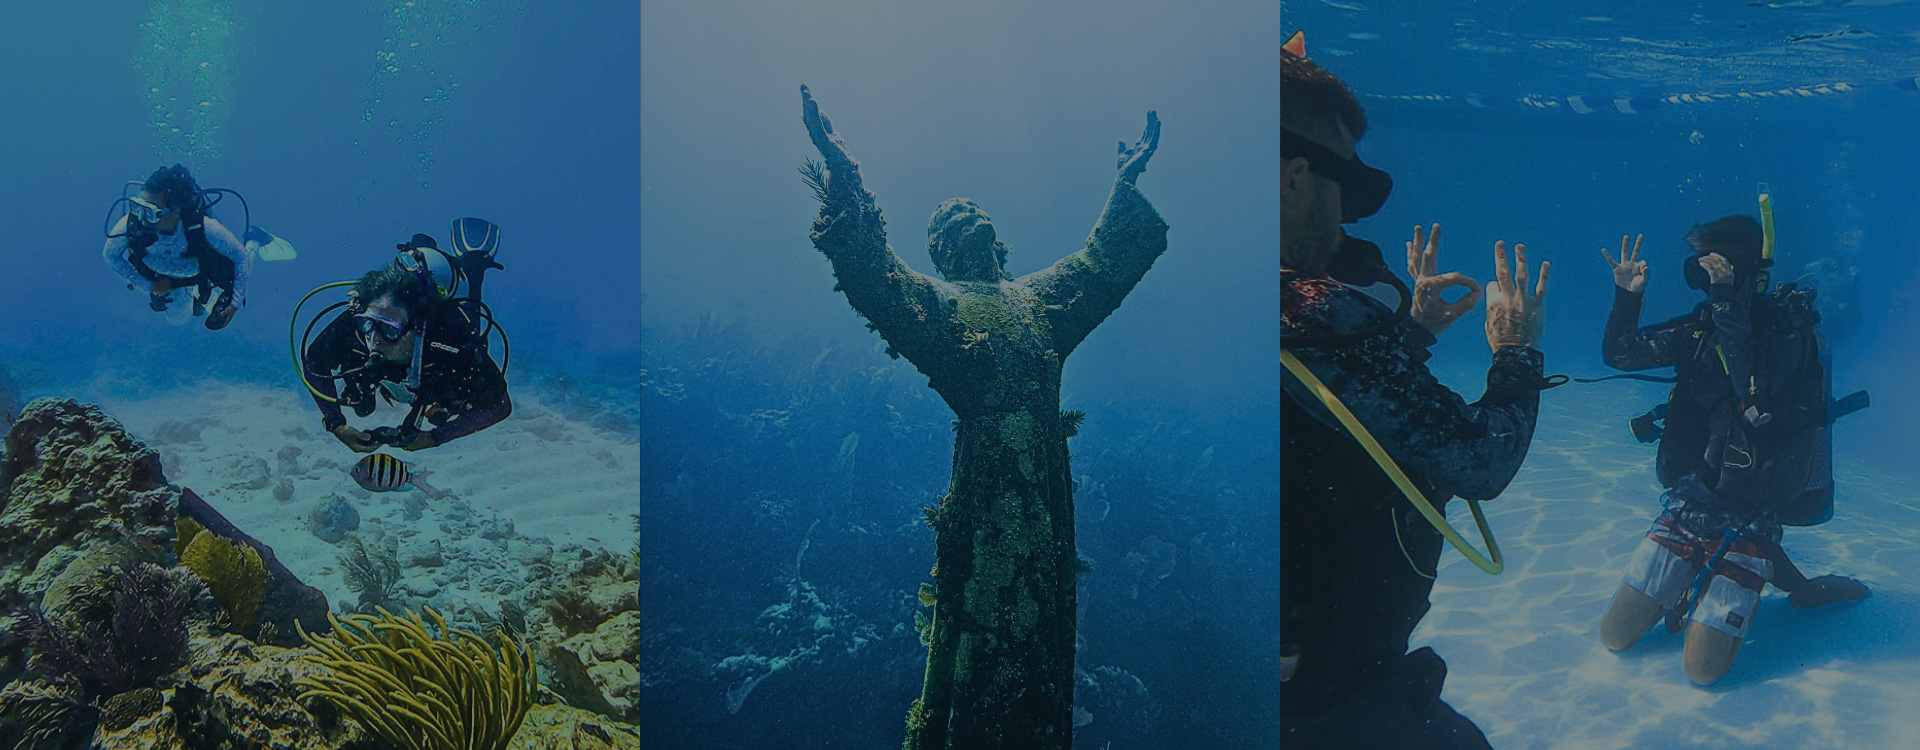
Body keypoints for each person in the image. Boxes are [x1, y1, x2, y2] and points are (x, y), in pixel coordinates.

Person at [800, 85, 1166, 748]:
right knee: (982, 645)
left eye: (973, 209)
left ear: (998, 237)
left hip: (1047, 509)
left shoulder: (1040, 303)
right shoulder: (938, 309)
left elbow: (1100, 261)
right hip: (990, 506)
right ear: (941, 251)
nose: (966, 217)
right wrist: (843, 166)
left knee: (1044, 649)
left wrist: (1125, 181)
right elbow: (874, 273)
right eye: (949, 219)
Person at [1280, 37, 1553, 750]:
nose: (1344, 225)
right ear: (1293, 176)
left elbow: (1324, 415)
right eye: (1345, 193)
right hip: (1328, 699)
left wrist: (1408, 333)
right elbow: (1479, 461)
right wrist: (1516, 350)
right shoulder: (1311, 311)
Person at [1597, 220, 1867, 685]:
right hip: (1690, 506)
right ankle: (1719, 578)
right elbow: (1620, 354)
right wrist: (1629, 295)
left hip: (1751, 515)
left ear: (1747, 270)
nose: (1710, 273)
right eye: (1704, 265)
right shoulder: (1703, 328)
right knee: (1614, 637)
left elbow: (1752, 396)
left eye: (1722, 263)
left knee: (1701, 672)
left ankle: (1782, 584)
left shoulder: (1786, 336)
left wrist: (1725, 298)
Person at [302, 233, 509, 453]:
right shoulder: (355, 321)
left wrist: (435, 437)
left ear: (416, 329)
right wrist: (336, 424)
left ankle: (473, 264)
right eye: (367, 324)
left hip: (441, 340)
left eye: (389, 329)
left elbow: (499, 405)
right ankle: (419, 249)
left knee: (470, 325)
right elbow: (314, 363)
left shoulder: (450, 341)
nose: (374, 339)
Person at [102, 164, 251, 330]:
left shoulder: (206, 228)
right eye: (138, 206)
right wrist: (147, 286)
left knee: (224, 319)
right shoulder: (130, 223)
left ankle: (255, 242)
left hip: (203, 275)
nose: (141, 217)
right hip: (162, 281)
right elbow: (110, 256)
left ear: (175, 212)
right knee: (178, 321)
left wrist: (236, 302)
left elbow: (241, 257)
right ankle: (195, 301)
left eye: (150, 211)